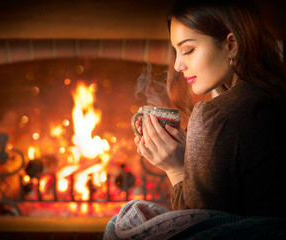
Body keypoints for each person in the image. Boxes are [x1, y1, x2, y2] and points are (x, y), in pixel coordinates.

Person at [104, 0, 286, 238]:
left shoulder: (214, 115)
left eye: (188, 50)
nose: (179, 65)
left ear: (231, 44)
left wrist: (176, 169)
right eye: (176, 52)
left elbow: (195, 229)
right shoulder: (273, 94)